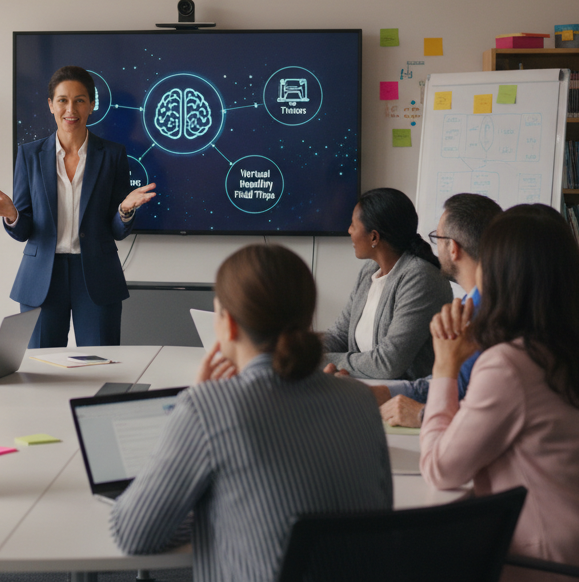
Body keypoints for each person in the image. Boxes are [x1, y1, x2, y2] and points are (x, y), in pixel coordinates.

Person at [109, 244, 392, 581]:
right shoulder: (359, 400)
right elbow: (376, 513)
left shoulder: (207, 408)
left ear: (227, 325)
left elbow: (133, 533)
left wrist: (195, 404)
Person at [420, 206, 579, 577]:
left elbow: (440, 470)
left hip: (543, 563)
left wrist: (445, 368)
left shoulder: (510, 364)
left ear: (496, 273)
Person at [0, 65, 157, 348]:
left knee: (101, 364)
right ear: (51, 105)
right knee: (40, 366)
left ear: (91, 105)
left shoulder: (113, 154)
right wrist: (13, 215)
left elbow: (117, 230)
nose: (70, 109)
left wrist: (124, 210)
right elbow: (24, 231)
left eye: (79, 100)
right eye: (62, 100)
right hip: (42, 279)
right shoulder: (29, 155)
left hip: (97, 276)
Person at [372, 192, 502, 428]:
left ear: (453, 248)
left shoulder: (486, 317)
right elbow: (445, 384)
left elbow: (475, 402)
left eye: (437, 238)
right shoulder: (474, 304)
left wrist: (422, 414)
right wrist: (385, 393)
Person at [321, 187, 453, 379]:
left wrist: (322, 360)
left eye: (353, 225)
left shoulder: (420, 278)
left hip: (408, 394)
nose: (349, 230)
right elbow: (340, 334)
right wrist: (305, 352)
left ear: (374, 237)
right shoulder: (369, 271)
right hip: (367, 387)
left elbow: (388, 363)